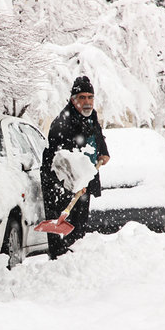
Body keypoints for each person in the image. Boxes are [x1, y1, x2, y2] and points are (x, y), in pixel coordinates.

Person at [40, 76, 110, 259]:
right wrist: (75, 181)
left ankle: (76, 260)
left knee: (80, 226)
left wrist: (103, 152)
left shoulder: (90, 116)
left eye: (90, 97)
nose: (87, 102)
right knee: (64, 228)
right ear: (73, 99)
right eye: (82, 97)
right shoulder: (63, 123)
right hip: (61, 183)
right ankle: (60, 261)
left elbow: (98, 136)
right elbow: (61, 160)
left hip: (82, 180)